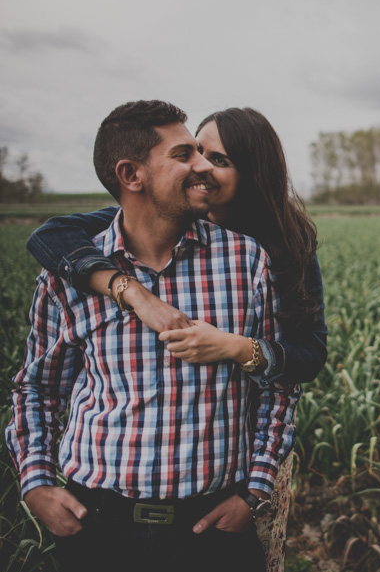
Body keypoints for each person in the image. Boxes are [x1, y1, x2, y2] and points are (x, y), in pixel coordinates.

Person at [23, 106, 327, 572]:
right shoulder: (86, 260)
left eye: (216, 159)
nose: (202, 166)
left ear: (252, 173)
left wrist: (256, 489)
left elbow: (301, 363)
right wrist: (37, 482)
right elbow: (37, 383)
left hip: (220, 506)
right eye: (190, 152)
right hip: (100, 520)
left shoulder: (263, 255)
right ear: (133, 176)